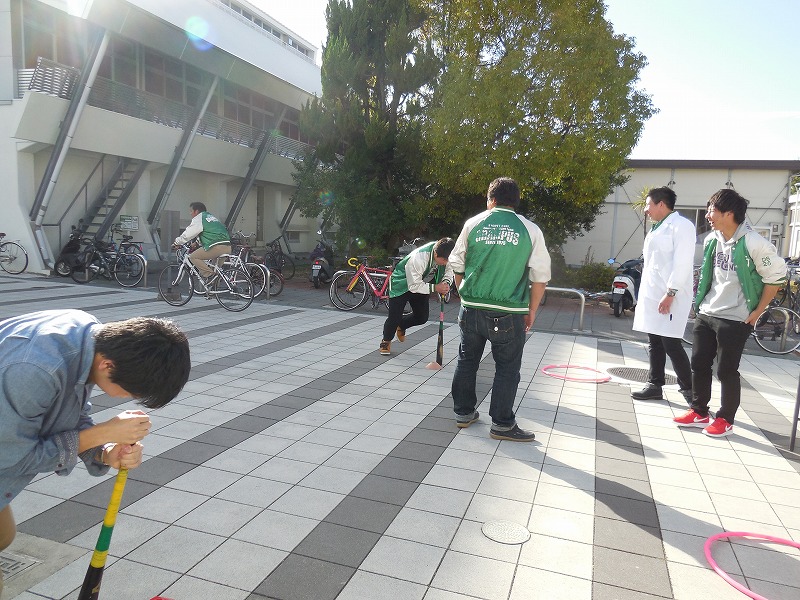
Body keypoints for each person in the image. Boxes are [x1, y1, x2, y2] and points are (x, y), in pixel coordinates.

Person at [0, 310, 191, 593]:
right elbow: (12, 458)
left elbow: (68, 413)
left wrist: (106, 451)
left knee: (4, 535)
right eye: (130, 392)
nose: (128, 398)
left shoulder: (90, 338)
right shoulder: (35, 370)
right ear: (107, 365)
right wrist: (103, 433)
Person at [674, 189, 787, 437]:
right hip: (708, 311)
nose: (708, 215)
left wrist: (757, 312)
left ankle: (725, 419)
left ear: (729, 213)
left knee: (726, 370)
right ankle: (699, 411)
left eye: (712, 210)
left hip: (736, 317)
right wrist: (699, 304)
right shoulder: (712, 239)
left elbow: (776, 278)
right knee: (699, 363)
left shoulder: (755, 243)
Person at [449, 177, 551, 442]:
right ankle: (502, 425)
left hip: (471, 308)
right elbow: (540, 277)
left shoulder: (473, 224)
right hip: (509, 311)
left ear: (491, 199)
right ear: (515, 201)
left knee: (467, 360)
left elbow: (456, 264)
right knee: (507, 367)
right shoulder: (530, 230)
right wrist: (531, 310)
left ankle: (463, 413)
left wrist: (464, 294)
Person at [631, 187, 695, 403]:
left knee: (671, 343)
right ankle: (654, 384)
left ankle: (689, 389)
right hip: (653, 293)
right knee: (655, 341)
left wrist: (671, 292)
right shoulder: (656, 228)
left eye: (648, 205)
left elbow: (682, 262)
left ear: (661, 204)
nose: (646, 210)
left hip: (671, 295)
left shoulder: (682, 226)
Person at [379, 238, 455, 355]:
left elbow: (449, 271)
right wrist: (436, 288)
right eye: (444, 260)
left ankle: (402, 325)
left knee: (422, 317)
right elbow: (413, 286)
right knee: (394, 317)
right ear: (435, 254)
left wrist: (446, 283)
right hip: (402, 283)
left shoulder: (446, 254)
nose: (445, 263)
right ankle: (386, 341)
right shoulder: (419, 258)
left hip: (423, 283)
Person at [173, 202, 232, 279]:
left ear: (196, 211)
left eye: (191, 211)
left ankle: (209, 274)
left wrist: (176, 242)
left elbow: (189, 233)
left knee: (193, 257)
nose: (190, 213)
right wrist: (196, 243)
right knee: (215, 274)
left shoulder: (199, 218)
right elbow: (210, 233)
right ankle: (213, 284)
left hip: (216, 246)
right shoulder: (210, 217)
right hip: (227, 246)